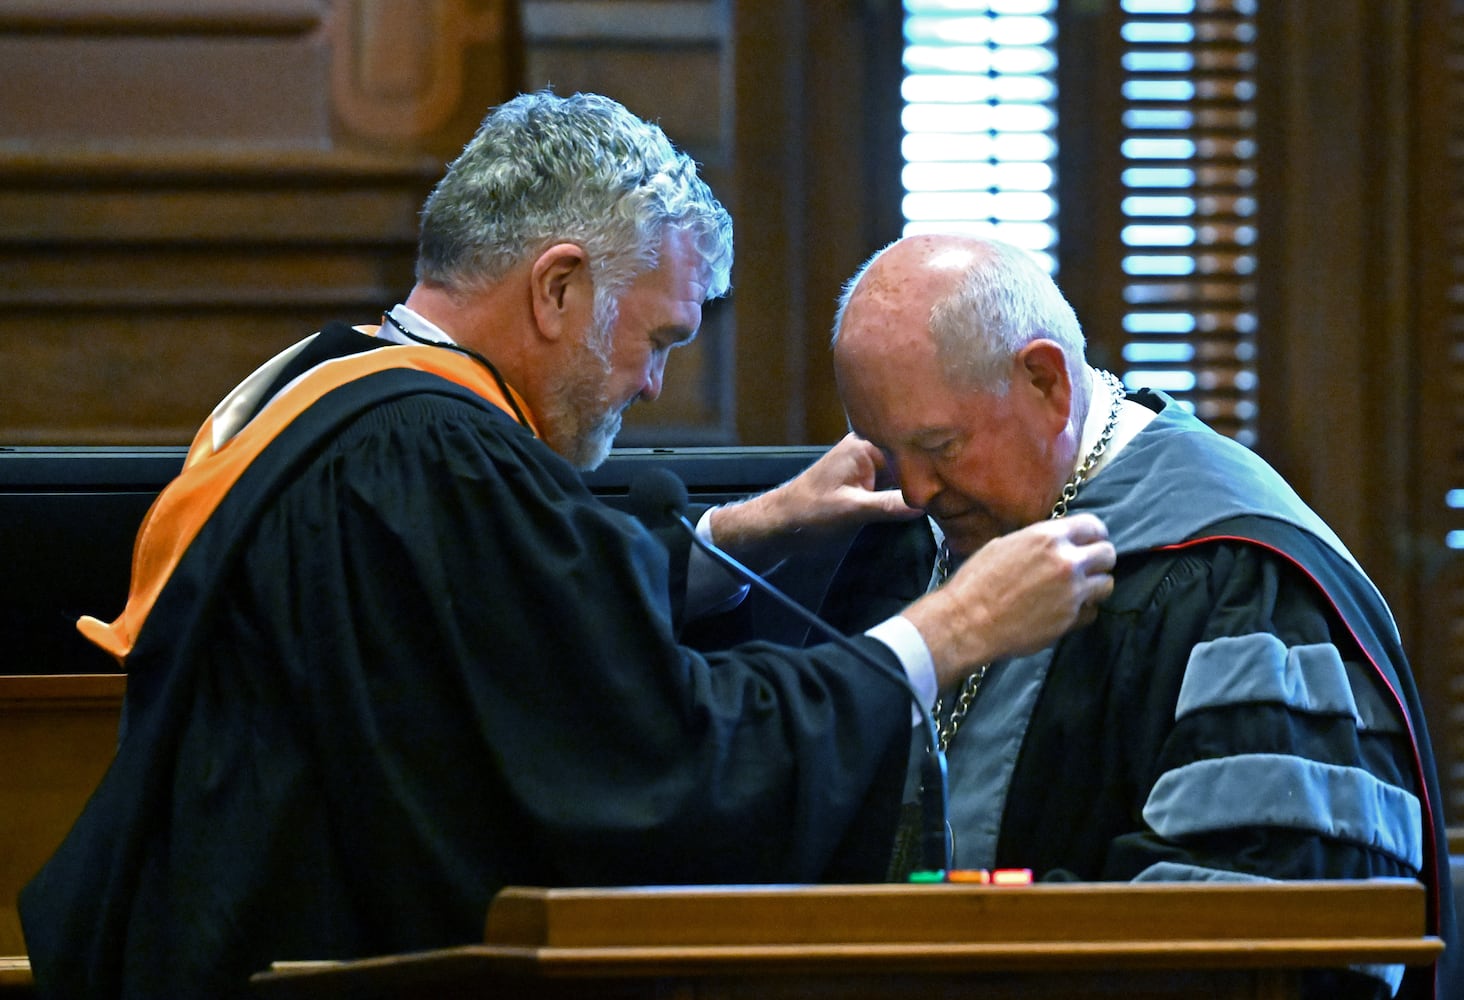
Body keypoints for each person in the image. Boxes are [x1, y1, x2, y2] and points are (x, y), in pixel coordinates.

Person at [18, 95, 1116, 997]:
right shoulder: (438, 462)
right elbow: (645, 774)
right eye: (657, 337)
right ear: (557, 288)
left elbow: (478, 638)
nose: (651, 382)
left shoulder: (321, 393)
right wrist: (945, 631)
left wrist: (731, 536)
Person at [818, 232, 1458, 1000]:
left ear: (1046, 381)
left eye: (939, 445)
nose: (915, 490)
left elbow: (1268, 934)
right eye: (888, 452)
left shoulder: (1235, 581)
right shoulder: (919, 539)